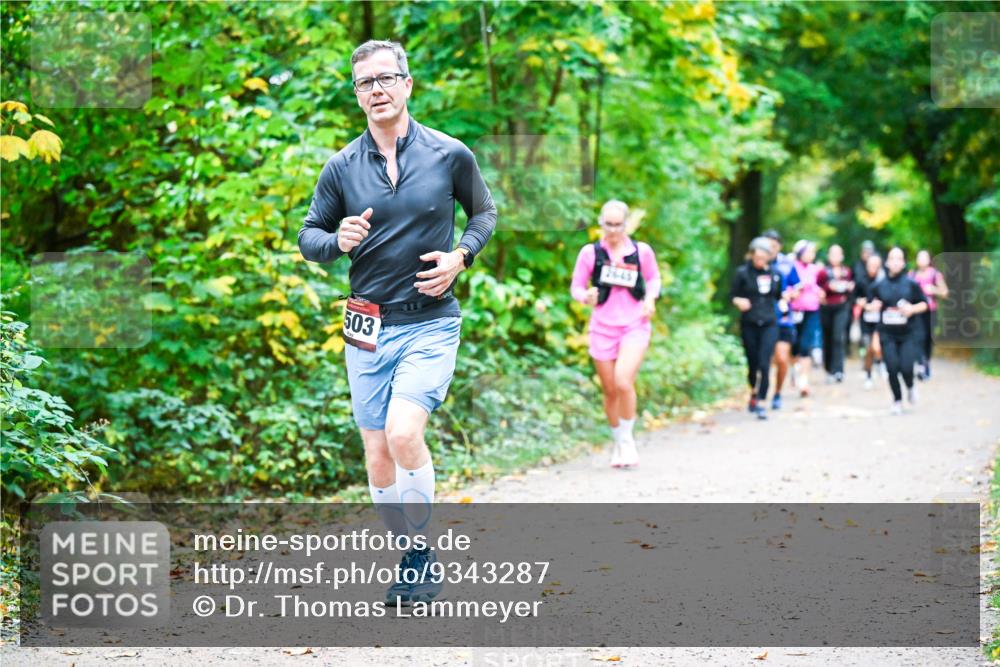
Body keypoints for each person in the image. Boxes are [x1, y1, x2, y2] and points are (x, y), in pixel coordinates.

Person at [298, 40, 497, 604]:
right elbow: (309, 236)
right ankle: (412, 553)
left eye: (387, 78)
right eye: (366, 83)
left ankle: (419, 557)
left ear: (408, 84)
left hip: (431, 321)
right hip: (366, 327)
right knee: (377, 451)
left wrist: (463, 256)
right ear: (357, 95)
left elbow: (484, 212)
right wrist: (336, 240)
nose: (377, 90)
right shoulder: (341, 166)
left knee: (403, 431)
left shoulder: (448, 154)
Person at [571, 200, 660, 468]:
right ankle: (619, 441)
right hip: (602, 327)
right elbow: (576, 287)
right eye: (607, 224)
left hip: (635, 324)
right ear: (601, 224)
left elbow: (654, 279)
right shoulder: (591, 253)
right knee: (610, 391)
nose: (612, 230)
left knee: (623, 381)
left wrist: (650, 299)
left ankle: (628, 441)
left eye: (617, 224)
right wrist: (585, 296)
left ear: (626, 224)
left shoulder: (641, 252)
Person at [865, 247, 928, 414]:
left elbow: (924, 304)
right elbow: (868, 304)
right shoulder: (878, 286)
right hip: (887, 333)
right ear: (886, 262)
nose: (895, 262)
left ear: (903, 263)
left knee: (906, 368)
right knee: (892, 368)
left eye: (898, 258)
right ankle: (897, 400)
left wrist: (912, 309)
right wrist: (872, 306)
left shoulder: (911, 284)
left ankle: (910, 386)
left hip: (908, 333)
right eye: (892, 258)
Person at [730, 237, 783, 420]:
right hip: (750, 322)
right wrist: (739, 301)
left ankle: (761, 401)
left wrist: (788, 299)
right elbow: (733, 295)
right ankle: (753, 390)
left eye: (764, 257)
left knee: (764, 362)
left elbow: (780, 296)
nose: (760, 261)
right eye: (757, 257)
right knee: (752, 363)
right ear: (752, 255)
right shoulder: (743, 273)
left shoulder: (775, 274)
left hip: (769, 322)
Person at [763, 230, 799, 410]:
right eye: (767, 245)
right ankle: (759, 392)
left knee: (782, 358)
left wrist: (790, 294)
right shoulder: (757, 263)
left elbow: (797, 286)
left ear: (780, 246)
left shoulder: (787, 264)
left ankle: (777, 393)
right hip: (761, 318)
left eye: (774, 245)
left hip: (783, 318)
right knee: (762, 360)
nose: (770, 249)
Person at [788, 240, 823, 397]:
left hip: (812, 310)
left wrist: (820, 292)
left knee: (806, 345)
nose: (811, 255)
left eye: (813, 252)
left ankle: (804, 381)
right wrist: (793, 292)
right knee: (793, 345)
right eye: (808, 252)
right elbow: (786, 286)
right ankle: (794, 371)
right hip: (794, 310)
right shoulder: (791, 267)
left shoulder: (815, 269)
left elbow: (819, 286)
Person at [909, 249, 948, 380]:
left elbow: (945, 292)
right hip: (916, 311)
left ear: (929, 259)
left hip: (931, 311)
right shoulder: (912, 274)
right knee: (918, 337)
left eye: (924, 257)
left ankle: (926, 365)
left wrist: (933, 290)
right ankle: (921, 365)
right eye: (919, 257)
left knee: (928, 339)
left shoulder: (935, 274)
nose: (921, 260)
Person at [818, 244, 854, 382]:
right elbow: (818, 288)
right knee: (827, 338)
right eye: (833, 254)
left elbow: (851, 289)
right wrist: (828, 287)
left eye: (838, 254)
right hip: (826, 308)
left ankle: (838, 370)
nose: (835, 257)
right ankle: (828, 370)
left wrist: (848, 289)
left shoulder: (847, 272)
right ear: (829, 256)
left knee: (838, 337)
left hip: (841, 307)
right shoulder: (823, 272)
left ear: (842, 256)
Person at [855, 253, 886, 390]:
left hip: (880, 320)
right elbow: (854, 297)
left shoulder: (884, 281)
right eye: (870, 265)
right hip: (866, 319)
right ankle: (868, 375)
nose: (872, 268)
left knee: (877, 347)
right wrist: (863, 304)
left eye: (875, 265)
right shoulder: (861, 280)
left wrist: (880, 304)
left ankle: (880, 363)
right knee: (868, 348)